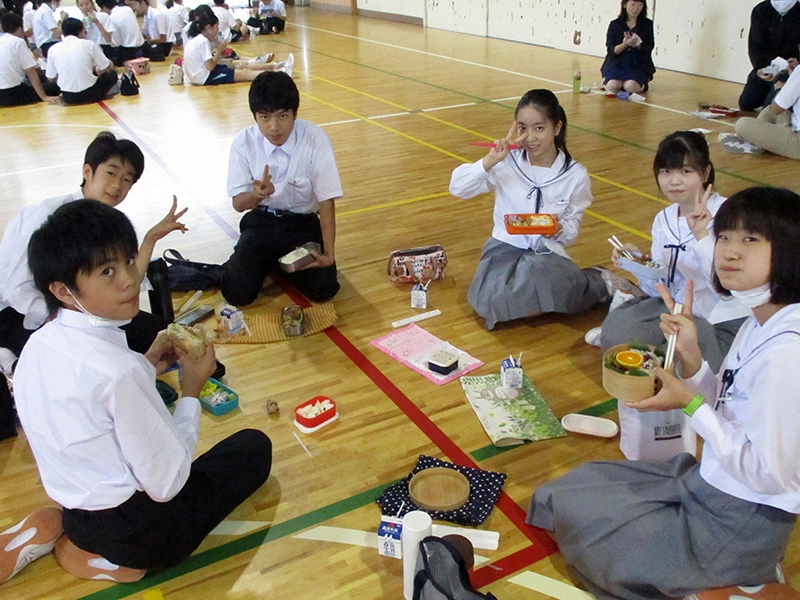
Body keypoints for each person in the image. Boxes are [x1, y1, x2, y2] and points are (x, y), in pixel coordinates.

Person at [527, 186, 800, 600]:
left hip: (738, 521)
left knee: (603, 554)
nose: (728, 251)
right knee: (575, 492)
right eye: (724, 236)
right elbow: (724, 402)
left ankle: (734, 579)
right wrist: (691, 356)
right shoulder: (761, 320)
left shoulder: (788, 352)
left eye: (750, 239)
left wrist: (688, 402)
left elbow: (765, 474)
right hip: (709, 482)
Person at [0, 199, 272, 584]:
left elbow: (92, 405)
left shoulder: (36, 348)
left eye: (128, 261)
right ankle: (109, 561)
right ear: (63, 290)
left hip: (75, 507)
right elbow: (166, 484)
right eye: (107, 271)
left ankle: (71, 533)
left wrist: (147, 363)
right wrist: (191, 390)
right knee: (253, 448)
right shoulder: (118, 371)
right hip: (137, 531)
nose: (129, 279)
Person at [0, 132, 183, 440]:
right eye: (111, 173)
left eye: (127, 180)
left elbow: (125, 286)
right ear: (88, 172)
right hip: (22, 316)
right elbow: (14, 288)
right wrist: (71, 322)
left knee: (163, 337)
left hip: (84, 308)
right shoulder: (43, 217)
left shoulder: (107, 224)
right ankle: (15, 368)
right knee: (90, 369)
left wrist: (150, 237)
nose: (116, 186)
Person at [449, 89, 630, 330]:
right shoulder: (506, 163)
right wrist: (490, 160)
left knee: (537, 290)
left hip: (546, 255)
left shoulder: (575, 175)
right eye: (523, 128)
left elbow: (572, 229)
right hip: (504, 248)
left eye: (539, 128)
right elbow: (457, 188)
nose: (530, 138)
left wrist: (560, 230)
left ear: (557, 128)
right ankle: (561, 289)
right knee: (489, 302)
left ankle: (598, 282)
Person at [590, 132, 750, 372]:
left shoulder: (729, 216)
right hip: (670, 307)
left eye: (686, 172)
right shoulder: (663, 219)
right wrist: (637, 262)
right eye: (666, 172)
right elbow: (658, 282)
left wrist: (701, 237)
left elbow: (728, 290)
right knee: (616, 335)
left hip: (713, 316)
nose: (674, 181)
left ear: (706, 173)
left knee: (690, 365)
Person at [220, 71, 342, 306]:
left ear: (295, 114)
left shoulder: (315, 139)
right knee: (236, 293)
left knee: (325, 289)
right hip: (260, 223)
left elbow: (326, 201)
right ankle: (270, 262)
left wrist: (329, 254)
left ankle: (272, 264)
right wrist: (255, 195)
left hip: (302, 224)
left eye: (282, 116)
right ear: (255, 117)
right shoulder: (243, 143)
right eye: (264, 117)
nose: (274, 127)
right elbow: (238, 205)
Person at [182, 6, 292, 86]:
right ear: (209, 27)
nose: (218, 29)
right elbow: (210, 66)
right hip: (204, 77)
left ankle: (277, 66)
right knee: (246, 74)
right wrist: (220, 50)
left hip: (200, 75)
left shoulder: (199, 38)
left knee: (239, 66)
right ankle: (281, 73)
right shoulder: (202, 41)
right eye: (216, 27)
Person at [738, 0, 800, 112]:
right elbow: (755, 45)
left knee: (771, 109)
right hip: (767, 69)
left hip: (792, 72)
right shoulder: (761, 10)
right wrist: (761, 68)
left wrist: (798, 64)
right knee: (746, 103)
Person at [734, 59, 800, 159]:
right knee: (770, 111)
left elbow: (776, 109)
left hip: (797, 140)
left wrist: (780, 89)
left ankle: (757, 140)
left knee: (741, 124)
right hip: (793, 123)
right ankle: (760, 140)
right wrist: (793, 77)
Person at [44, 17, 117, 104]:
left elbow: (50, 78)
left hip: (68, 97)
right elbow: (107, 68)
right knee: (112, 74)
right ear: (81, 31)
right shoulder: (89, 44)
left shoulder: (53, 49)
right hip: (91, 94)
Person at [0, 11, 60, 105]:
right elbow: (30, 71)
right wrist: (43, 97)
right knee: (55, 86)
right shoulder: (18, 42)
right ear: (20, 28)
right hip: (12, 93)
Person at [600, 0, 655, 94]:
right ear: (625, 5)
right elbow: (612, 50)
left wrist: (638, 44)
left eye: (640, 5)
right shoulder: (615, 24)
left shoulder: (647, 24)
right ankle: (613, 83)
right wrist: (625, 44)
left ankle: (642, 84)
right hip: (617, 63)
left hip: (638, 63)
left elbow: (649, 47)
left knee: (630, 87)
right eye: (633, 4)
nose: (636, 8)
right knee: (612, 86)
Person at [97, 0, 143, 65]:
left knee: (105, 48)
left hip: (128, 52)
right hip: (141, 46)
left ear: (103, 7)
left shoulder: (112, 18)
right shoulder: (127, 9)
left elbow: (116, 43)